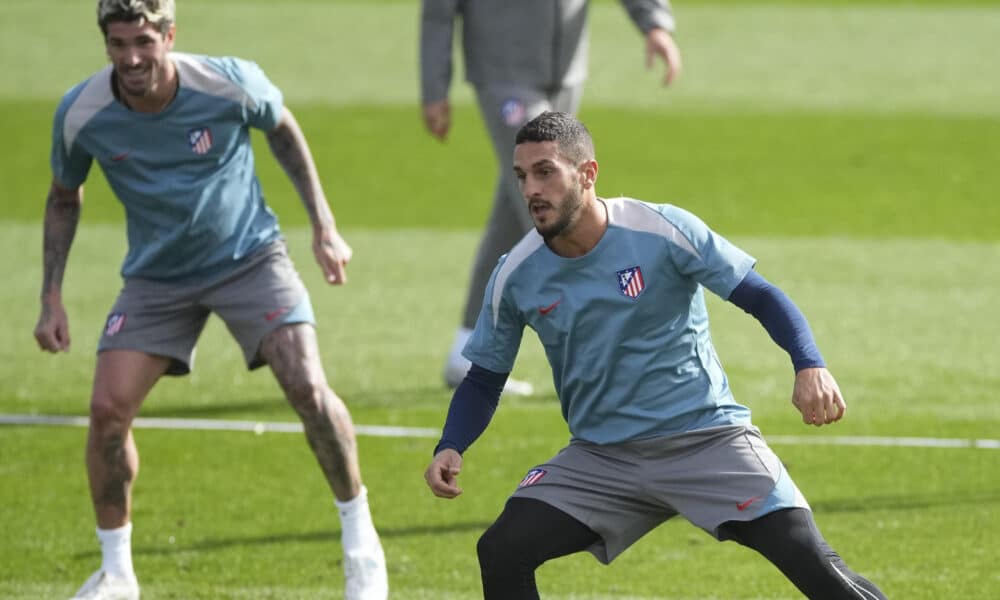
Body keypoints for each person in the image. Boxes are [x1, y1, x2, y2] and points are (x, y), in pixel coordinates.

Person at [424, 112, 888, 599]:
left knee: (811, 560)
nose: (531, 190)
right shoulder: (516, 273)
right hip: (602, 459)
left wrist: (808, 363)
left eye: (545, 172)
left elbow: (761, 295)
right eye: (521, 177)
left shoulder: (660, 230)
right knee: (502, 548)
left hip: (706, 442)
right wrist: (451, 443)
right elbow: (483, 379)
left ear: (587, 175)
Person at [33, 1, 388, 599]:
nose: (132, 58)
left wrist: (322, 225)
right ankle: (117, 571)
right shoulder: (82, 112)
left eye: (144, 41)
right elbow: (64, 196)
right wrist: (51, 296)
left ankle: (360, 537)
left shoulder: (227, 81)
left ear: (170, 35)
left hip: (249, 258)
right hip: (156, 278)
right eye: (118, 44)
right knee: (106, 412)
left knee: (305, 384)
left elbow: (282, 128)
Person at [420, 0, 683, 395]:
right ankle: (607, 360)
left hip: (566, 70)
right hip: (503, 70)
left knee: (515, 211)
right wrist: (434, 85)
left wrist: (653, 22)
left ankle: (467, 350)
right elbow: (439, 9)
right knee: (559, 212)